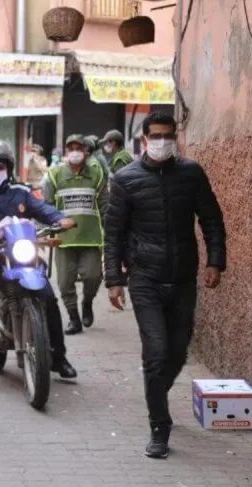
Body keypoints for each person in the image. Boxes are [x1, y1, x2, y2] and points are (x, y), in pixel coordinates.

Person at [104, 111, 226, 459]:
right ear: (144, 140)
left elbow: (212, 220)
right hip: (145, 278)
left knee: (178, 351)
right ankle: (159, 425)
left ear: (176, 137)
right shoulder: (126, 179)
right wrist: (114, 280)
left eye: (168, 135)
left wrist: (215, 261)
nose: (162, 142)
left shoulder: (191, 173)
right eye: (155, 136)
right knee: (156, 353)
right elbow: (113, 234)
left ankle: (157, 389)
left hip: (183, 276)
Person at [0, 139, 78, 378]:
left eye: (0, 167)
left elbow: (43, 208)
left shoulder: (22, 192)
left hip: (20, 248)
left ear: (8, 168)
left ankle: (58, 358)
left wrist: (59, 219)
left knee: (48, 298)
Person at [42, 135, 108, 335]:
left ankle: (87, 302)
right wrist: (47, 230)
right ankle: (74, 318)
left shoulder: (96, 174)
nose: (74, 152)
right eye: (70, 148)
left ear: (86, 151)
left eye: (78, 148)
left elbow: (104, 205)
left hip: (91, 238)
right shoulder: (54, 175)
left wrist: (111, 231)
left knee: (93, 276)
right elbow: (46, 206)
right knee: (64, 283)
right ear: (65, 151)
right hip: (64, 240)